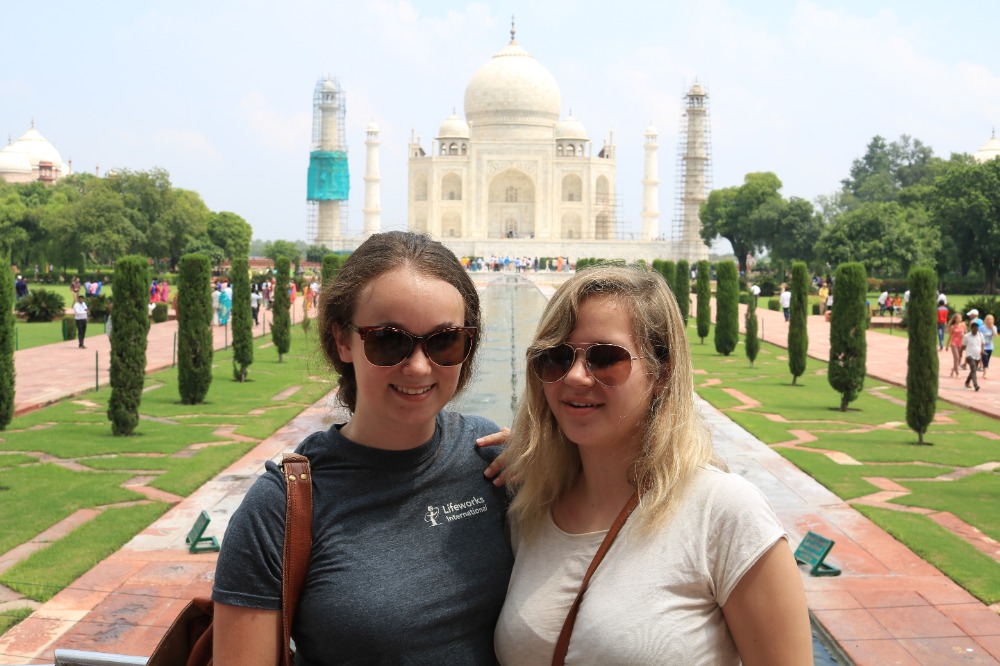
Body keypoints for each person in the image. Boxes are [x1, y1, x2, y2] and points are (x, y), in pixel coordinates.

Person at [212, 231, 513, 664]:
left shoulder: (488, 455)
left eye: (444, 340)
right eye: (389, 340)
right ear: (343, 340)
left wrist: (551, 460)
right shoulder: (283, 506)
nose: (418, 367)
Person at [493, 264, 812, 665]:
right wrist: (529, 453)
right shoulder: (531, 507)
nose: (575, 377)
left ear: (662, 372)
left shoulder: (724, 512)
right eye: (556, 357)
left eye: (605, 358)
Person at [962, 322, 984, 391]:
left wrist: (982, 350)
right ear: (971, 329)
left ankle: (967, 382)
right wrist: (960, 354)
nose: (976, 330)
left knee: (973, 370)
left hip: (978, 356)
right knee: (973, 368)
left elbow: (983, 343)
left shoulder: (980, 335)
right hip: (969, 355)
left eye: (977, 329)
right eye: (974, 329)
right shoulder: (967, 336)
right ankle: (976, 385)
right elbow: (963, 346)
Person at [948, 313, 966, 378]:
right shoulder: (953, 326)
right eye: (958, 318)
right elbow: (950, 336)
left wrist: (963, 335)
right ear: (955, 319)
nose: (960, 319)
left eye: (960, 318)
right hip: (954, 343)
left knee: (958, 359)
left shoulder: (963, 325)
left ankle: (953, 370)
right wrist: (947, 346)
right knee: (956, 357)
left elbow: (966, 333)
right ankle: (957, 373)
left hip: (960, 343)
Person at [981, 314, 996, 380]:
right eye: (989, 319)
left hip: (990, 346)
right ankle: (986, 373)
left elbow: (995, 335)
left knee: (987, 360)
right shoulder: (982, 328)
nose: (990, 321)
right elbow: (979, 336)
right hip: (983, 346)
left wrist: (992, 328)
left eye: (991, 319)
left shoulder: (994, 327)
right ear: (986, 320)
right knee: (985, 359)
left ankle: (984, 372)